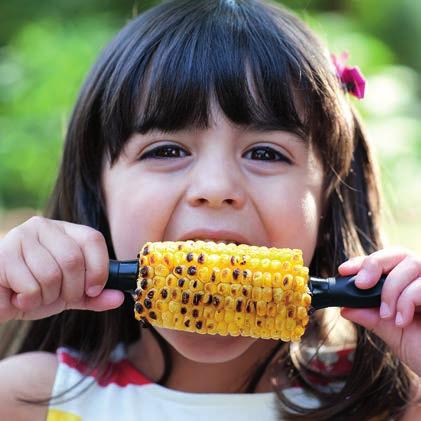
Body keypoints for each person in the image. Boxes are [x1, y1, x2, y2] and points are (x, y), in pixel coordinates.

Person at [0, 0, 420, 419]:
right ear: (98, 194)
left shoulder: (394, 405)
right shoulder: (30, 397)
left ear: (329, 196)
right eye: (166, 149)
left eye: (266, 153)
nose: (216, 188)